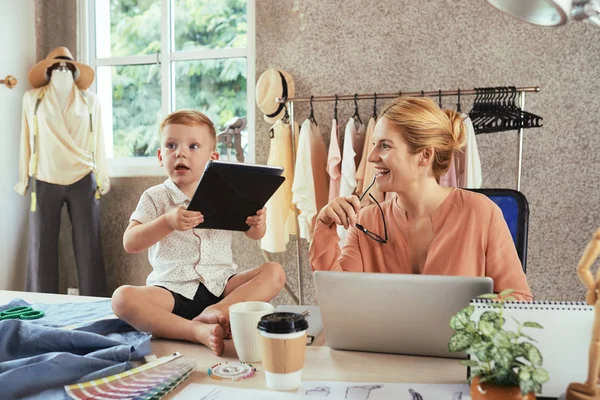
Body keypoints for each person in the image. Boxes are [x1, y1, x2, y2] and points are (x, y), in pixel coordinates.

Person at [309, 97, 532, 301]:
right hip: (385, 345)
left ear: (425, 155)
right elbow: (341, 299)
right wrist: (324, 227)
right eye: (375, 144)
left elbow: (519, 299)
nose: (371, 156)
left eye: (385, 145)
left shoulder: (482, 212)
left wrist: (469, 324)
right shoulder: (365, 221)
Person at [111, 109, 286, 355]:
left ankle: (218, 313)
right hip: (171, 290)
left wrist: (258, 224)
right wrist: (167, 222)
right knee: (121, 298)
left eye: (193, 146)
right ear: (161, 156)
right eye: (171, 146)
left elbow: (254, 235)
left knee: (274, 272)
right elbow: (131, 242)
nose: (180, 152)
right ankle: (195, 330)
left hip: (222, 287)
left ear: (212, 157)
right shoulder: (155, 197)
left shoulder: (227, 193)